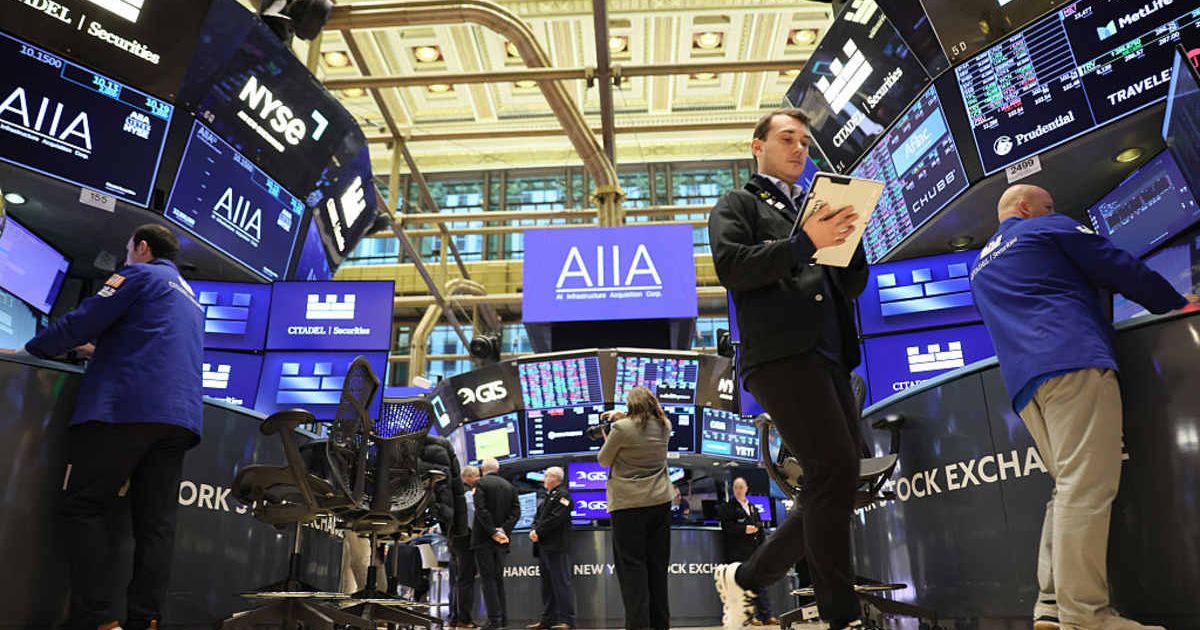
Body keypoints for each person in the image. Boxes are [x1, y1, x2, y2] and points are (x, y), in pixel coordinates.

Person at [969, 184, 1198, 630]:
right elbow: (1116, 265)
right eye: (1050, 205)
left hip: (1024, 385)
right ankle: (1085, 618)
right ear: (1024, 209)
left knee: (1068, 488)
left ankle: (1052, 609)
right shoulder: (1046, 228)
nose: (1058, 211)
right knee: (1086, 489)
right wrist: (1176, 306)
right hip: (1072, 361)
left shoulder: (979, 266)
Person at [707, 107, 868, 630]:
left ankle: (749, 579)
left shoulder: (815, 203)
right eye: (786, 139)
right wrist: (805, 242)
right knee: (834, 473)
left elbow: (852, 284)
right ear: (758, 147)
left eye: (803, 140)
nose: (799, 148)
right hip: (779, 355)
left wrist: (848, 238)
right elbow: (732, 267)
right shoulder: (739, 203)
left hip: (829, 353)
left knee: (838, 481)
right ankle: (842, 616)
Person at [23, 225, 204, 630]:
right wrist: (97, 348)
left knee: (85, 506)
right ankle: (146, 620)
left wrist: (32, 349)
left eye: (127, 251)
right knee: (155, 526)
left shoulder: (139, 274)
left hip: (125, 409)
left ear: (142, 247)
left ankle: (98, 620)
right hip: (179, 421)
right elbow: (147, 343)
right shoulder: (190, 298)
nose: (125, 259)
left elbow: (83, 321)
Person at [597, 386, 674, 630]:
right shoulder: (665, 426)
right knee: (657, 568)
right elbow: (641, 425)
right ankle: (660, 625)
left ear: (630, 406)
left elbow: (604, 459)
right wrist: (622, 417)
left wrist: (606, 431)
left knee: (632, 569)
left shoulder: (621, 428)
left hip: (627, 505)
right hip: (660, 501)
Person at [718, 478, 779, 626]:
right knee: (744, 586)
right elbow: (727, 528)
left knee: (759, 583)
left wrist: (763, 548)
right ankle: (750, 617)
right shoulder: (727, 508)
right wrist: (743, 529)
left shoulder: (752, 507)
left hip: (754, 552)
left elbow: (760, 528)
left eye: (741, 487)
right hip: (737, 553)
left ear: (746, 488)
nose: (738, 490)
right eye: (736, 487)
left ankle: (766, 615)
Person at [472, 458, 520, 630]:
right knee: (498, 579)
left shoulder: (480, 484)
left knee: (488, 580)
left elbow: (480, 510)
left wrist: (493, 531)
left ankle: (493, 620)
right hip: (502, 541)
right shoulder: (510, 486)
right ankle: (503, 619)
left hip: (484, 540)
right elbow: (516, 512)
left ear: (482, 469)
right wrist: (503, 530)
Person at [527, 466, 576, 630]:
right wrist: (534, 530)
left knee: (561, 584)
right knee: (547, 586)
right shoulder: (547, 498)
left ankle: (567, 620)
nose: (544, 479)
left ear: (555, 478)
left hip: (557, 547)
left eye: (546, 476)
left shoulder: (563, 496)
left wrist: (538, 531)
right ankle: (548, 619)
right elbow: (538, 517)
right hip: (543, 548)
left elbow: (556, 519)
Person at [450, 465, 482, 629]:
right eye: (477, 476)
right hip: (466, 541)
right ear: (468, 477)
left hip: (455, 540)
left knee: (458, 580)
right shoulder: (468, 493)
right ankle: (465, 619)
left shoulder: (455, 491)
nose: (479, 479)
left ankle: (455, 617)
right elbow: (472, 517)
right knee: (466, 580)